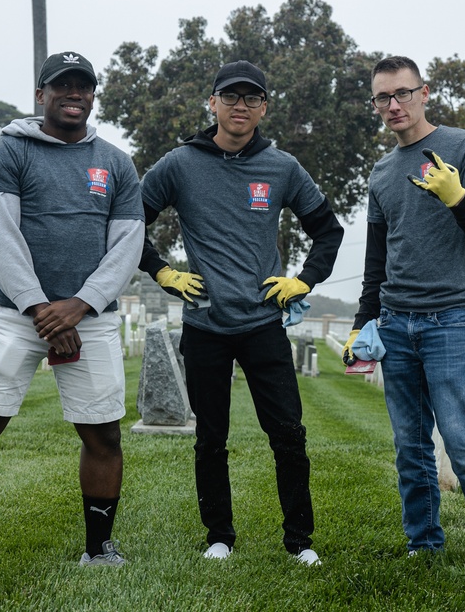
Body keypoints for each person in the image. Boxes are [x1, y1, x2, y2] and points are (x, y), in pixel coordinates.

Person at [0, 51, 144, 576]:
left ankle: (98, 548)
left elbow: (128, 242)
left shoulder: (115, 162)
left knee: (103, 435)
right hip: (15, 314)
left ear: (92, 95)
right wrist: (42, 309)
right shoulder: (9, 151)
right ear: (40, 95)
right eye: (61, 85)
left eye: (83, 86)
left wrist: (81, 305)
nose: (74, 94)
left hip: (90, 316)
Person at [139, 60, 344, 566]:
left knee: (289, 436)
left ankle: (300, 542)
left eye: (251, 99)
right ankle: (219, 536)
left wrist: (304, 280)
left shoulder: (282, 167)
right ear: (212, 103)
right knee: (211, 439)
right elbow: (126, 222)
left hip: (263, 326)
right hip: (205, 326)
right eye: (230, 97)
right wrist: (161, 271)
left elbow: (328, 230)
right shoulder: (180, 163)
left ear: (263, 108)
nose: (240, 106)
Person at [342, 55, 465, 568]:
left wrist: (457, 195)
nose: (393, 105)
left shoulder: (464, 147)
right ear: (374, 103)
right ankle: (423, 541)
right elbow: (378, 260)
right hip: (395, 323)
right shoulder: (381, 172)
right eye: (382, 97)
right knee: (411, 447)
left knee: (463, 442)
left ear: (424, 93)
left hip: (451, 322)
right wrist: (362, 324)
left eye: (402, 93)